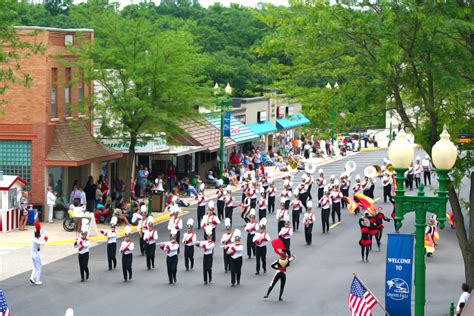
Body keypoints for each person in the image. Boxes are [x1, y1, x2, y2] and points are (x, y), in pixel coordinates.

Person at [30, 221, 48, 285]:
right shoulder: (37, 241)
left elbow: (39, 232)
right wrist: (46, 237)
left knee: (35, 267)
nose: (39, 236)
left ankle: (32, 278)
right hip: (36, 255)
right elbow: (44, 243)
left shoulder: (33, 237)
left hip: (32, 254)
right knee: (39, 267)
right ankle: (37, 281)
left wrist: (40, 230)